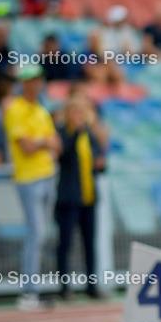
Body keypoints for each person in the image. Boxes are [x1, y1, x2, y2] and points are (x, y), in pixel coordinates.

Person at [3, 64, 61, 310]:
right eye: (31, 80)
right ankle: (29, 292)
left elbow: (56, 145)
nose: (36, 84)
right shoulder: (16, 109)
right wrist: (43, 141)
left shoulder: (41, 110)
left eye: (39, 79)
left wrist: (42, 142)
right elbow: (28, 147)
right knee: (35, 234)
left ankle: (32, 290)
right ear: (23, 83)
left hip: (47, 177)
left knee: (41, 235)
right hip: (29, 179)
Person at [55, 96, 106, 299]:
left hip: (88, 197)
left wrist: (101, 163)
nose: (79, 117)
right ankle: (64, 287)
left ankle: (91, 286)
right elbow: (64, 154)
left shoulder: (89, 134)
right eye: (75, 112)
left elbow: (98, 157)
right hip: (68, 198)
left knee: (89, 244)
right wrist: (76, 131)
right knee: (66, 243)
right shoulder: (63, 133)